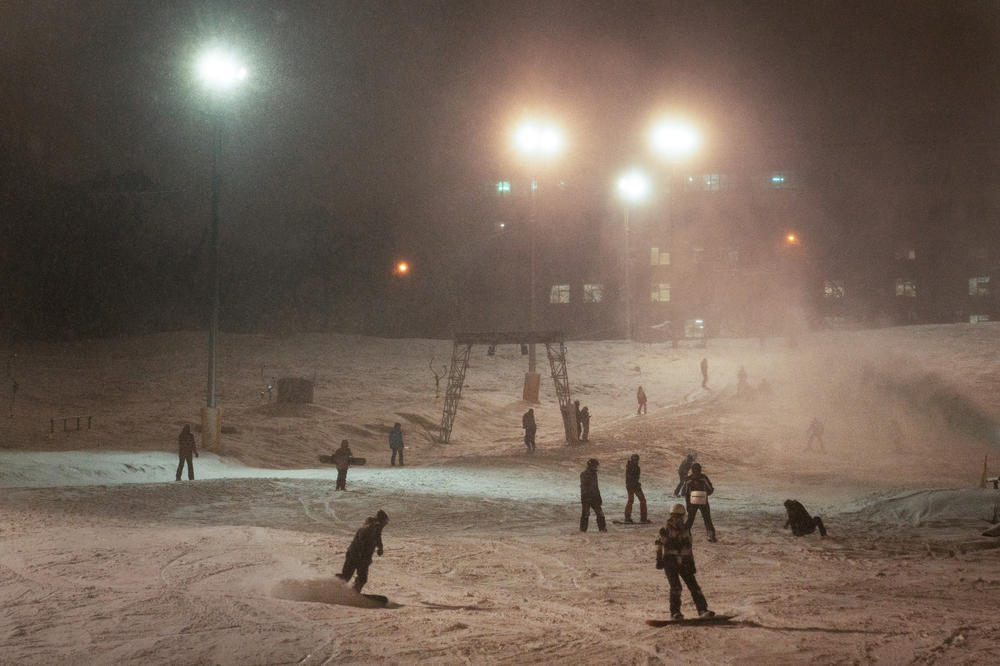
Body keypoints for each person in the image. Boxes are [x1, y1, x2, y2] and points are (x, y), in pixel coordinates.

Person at [656, 503, 714, 620]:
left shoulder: (685, 529)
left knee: (694, 586)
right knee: (676, 587)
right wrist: (659, 560)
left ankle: (702, 610)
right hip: (670, 561)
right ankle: (675, 613)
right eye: (675, 517)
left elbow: (688, 548)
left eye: (679, 517)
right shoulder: (665, 529)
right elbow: (659, 544)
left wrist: (691, 563)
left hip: (684, 561)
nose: (677, 519)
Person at [337, 510, 389, 593]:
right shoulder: (368, 527)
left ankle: (354, 592)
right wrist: (361, 555)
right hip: (355, 555)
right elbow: (361, 541)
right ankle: (330, 586)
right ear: (380, 521)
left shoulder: (377, 528)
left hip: (363, 557)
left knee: (362, 578)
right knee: (346, 577)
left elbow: (378, 538)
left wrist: (380, 548)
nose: (385, 525)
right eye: (385, 522)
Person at [681, 462, 716, 542]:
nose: (696, 472)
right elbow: (710, 489)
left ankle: (685, 535)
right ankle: (710, 535)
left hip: (693, 502)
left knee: (691, 519)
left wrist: (688, 503)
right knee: (706, 519)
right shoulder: (703, 478)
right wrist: (704, 494)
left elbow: (684, 493)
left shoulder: (689, 479)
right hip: (702, 501)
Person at [580, 458, 607, 532]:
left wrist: (599, 497)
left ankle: (602, 528)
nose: (596, 467)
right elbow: (584, 487)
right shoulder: (584, 474)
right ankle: (583, 530)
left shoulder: (594, 474)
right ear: (590, 466)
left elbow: (596, 487)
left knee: (600, 513)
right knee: (586, 514)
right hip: (587, 498)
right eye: (595, 466)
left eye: (596, 466)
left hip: (594, 498)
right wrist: (586, 497)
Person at [624, 453, 649, 524]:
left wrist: (637, 484)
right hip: (631, 486)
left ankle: (643, 518)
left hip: (635, 486)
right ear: (632, 460)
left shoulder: (637, 468)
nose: (636, 461)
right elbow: (629, 478)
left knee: (642, 500)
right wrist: (634, 484)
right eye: (635, 460)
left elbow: (635, 478)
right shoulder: (630, 467)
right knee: (631, 500)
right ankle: (627, 517)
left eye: (637, 460)